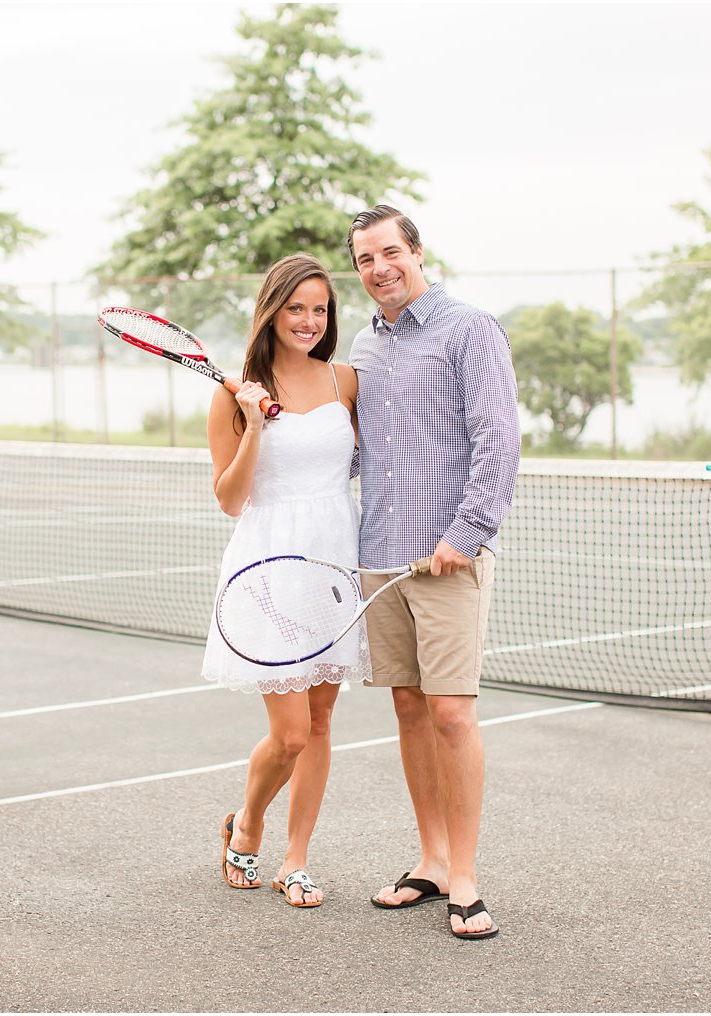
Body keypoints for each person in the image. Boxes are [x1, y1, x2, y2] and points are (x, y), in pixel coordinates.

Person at [346, 204, 521, 940]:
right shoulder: (361, 344)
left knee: (452, 713)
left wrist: (467, 532)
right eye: (364, 260)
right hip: (379, 558)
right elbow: (354, 451)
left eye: (390, 253)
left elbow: (498, 438)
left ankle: (468, 878)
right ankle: (432, 861)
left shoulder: (469, 329)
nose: (379, 269)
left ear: (417, 253)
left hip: (447, 560)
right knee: (410, 711)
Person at [201, 252, 369, 909]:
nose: (308, 319)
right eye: (296, 307)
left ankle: (295, 861)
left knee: (322, 724)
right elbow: (231, 499)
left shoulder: (346, 382)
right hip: (266, 568)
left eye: (320, 308)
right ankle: (248, 823)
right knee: (291, 732)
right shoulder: (231, 392)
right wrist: (253, 427)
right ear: (271, 311)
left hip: (334, 563)